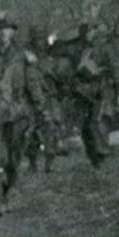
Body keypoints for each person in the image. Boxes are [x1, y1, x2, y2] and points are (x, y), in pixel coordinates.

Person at [0, 12, 45, 212]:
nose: (2, 34)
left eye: (6, 29)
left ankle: (5, 190)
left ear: (13, 32)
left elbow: (33, 84)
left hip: (18, 115)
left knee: (14, 160)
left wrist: (40, 107)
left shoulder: (24, 57)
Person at [66, 21, 119, 168]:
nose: (88, 35)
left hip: (101, 90)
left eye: (91, 31)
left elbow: (115, 72)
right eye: (86, 32)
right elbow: (73, 71)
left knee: (98, 122)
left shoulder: (105, 49)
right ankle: (94, 158)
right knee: (85, 127)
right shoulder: (80, 50)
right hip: (83, 92)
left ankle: (102, 154)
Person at [24, 26, 67, 173]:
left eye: (43, 39)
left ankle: (49, 163)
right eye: (37, 39)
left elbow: (59, 78)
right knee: (32, 130)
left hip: (50, 97)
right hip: (31, 99)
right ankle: (32, 163)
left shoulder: (51, 59)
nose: (41, 43)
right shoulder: (28, 59)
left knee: (52, 129)